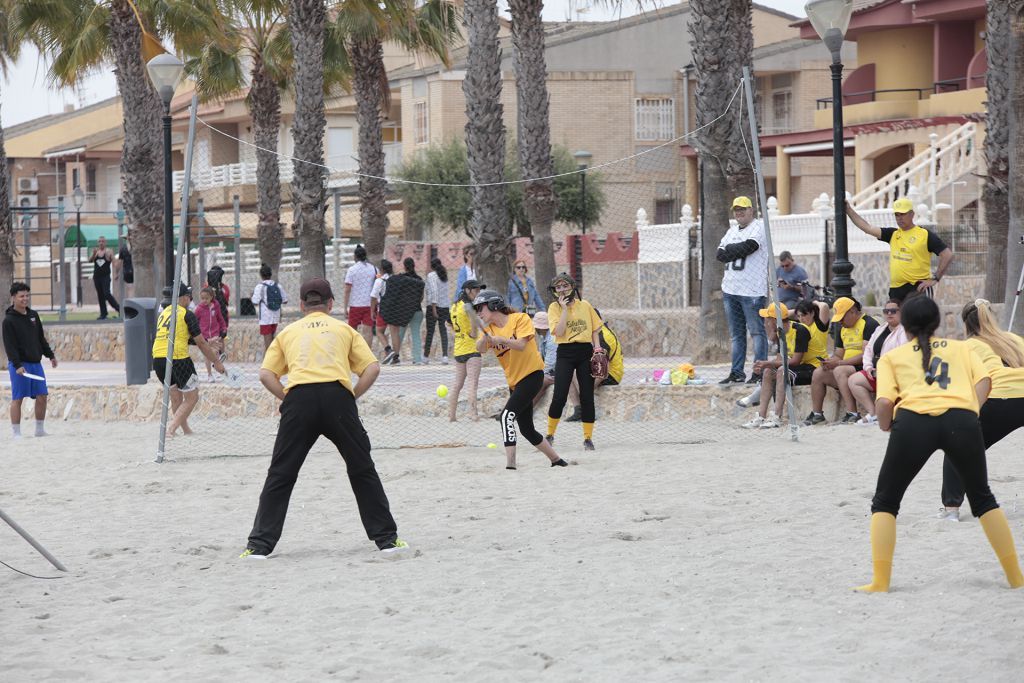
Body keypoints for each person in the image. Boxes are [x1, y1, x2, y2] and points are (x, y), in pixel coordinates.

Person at [855, 295, 1023, 592]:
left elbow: (883, 402)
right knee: (984, 500)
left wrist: (885, 425)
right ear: (939, 323)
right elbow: (985, 380)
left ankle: (880, 582)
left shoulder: (893, 357)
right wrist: (971, 409)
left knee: (885, 501)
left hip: (913, 423)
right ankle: (1015, 577)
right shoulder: (961, 348)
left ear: (904, 326)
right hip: (961, 421)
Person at [240, 277, 407, 559]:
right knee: (362, 468)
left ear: (303, 305)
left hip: (299, 400)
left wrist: (288, 398)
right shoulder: (344, 329)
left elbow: (265, 374)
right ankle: (387, 540)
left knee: (281, 473)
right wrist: (350, 396)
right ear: (330, 304)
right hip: (337, 398)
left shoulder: (288, 333)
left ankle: (258, 546)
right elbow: (373, 369)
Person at [938, 299, 1024, 522]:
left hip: (1002, 397)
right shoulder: (1013, 339)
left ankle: (951, 510)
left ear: (965, 324)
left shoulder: (968, 346)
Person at [473, 290, 568, 470]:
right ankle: (557, 460)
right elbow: (481, 349)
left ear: (494, 305)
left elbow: (521, 345)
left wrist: (500, 339)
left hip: (532, 376)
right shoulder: (490, 329)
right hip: (515, 383)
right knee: (527, 429)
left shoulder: (520, 319)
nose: (478, 312)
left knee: (506, 417)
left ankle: (510, 465)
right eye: (476, 309)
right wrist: (485, 339)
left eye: (481, 308)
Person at [151, 284, 226, 437]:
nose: (191, 300)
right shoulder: (186, 314)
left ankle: (185, 430)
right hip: (178, 359)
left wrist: (207, 341)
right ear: (184, 297)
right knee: (192, 396)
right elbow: (201, 344)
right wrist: (216, 362)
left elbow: (184, 337)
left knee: (176, 395)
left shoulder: (164, 313)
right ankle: (171, 429)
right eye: (189, 297)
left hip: (158, 359)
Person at [846, 198, 954, 302]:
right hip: (896, 289)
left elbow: (947, 254)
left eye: (903, 214)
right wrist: (848, 210)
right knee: (896, 320)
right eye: (897, 215)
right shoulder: (893, 234)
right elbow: (867, 228)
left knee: (920, 320)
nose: (899, 218)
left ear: (912, 214)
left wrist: (935, 278)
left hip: (918, 288)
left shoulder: (924, 235)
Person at [545, 273, 603, 451]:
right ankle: (549, 434)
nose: (562, 289)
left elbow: (594, 329)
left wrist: (598, 348)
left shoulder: (584, 305)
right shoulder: (554, 308)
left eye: (565, 286)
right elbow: (560, 331)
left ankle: (588, 438)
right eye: (558, 287)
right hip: (565, 352)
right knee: (560, 395)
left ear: (572, 287)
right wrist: (563, 309)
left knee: (587, 396)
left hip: (585, 351)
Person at [741, 303, 819, 429]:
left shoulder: (800, 330)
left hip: (812, 367)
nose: (765, 322)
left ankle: (777, 417)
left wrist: (770, 363)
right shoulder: (780, 333)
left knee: (782, 370)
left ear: (774, 320)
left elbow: (795, 361)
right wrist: (765, 365)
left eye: (768, 319)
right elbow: (779, 358)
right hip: (798, 367)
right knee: (768, 371)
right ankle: (761, 416)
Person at [803, 297, 879, 425]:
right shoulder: (842, 328)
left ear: (853, 311)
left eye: (842, 318)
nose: (841, 322)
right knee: (818, 373)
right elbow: (839, 354)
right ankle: (817, 414)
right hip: (846, 366)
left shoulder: (869, 324)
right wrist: (830, 361)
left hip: (864, 367)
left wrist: (838, 363)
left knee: (840, 370)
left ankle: (852, 413)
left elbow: (866, 355)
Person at [716, 196, 768, 384]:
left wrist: (731, 248)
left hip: (752, 290)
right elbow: (720, 255)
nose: (739, 212)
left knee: (756, 332)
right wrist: (733, 249)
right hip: (731, 289)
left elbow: (750, 247)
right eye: (736, 209)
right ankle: (737, 372)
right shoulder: (731, 231)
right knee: (736, 335)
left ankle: (759, 371)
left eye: (743, 209)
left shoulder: (759, 227)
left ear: (751, 210)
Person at [3, 282, 57, 438]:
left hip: (35, 364)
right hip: (19, 365)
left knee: (42, 395)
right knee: (18, 398)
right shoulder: (8, 321)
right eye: (21, 296)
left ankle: (39, 430)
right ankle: (16, 432)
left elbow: (40, 338)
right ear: (13, 297)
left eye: (27, 295)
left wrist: (50, 355)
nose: (25, 299)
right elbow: (10, 346)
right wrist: (17, 365)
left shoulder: (34, 315)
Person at [847, 298, 908, 426]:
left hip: (894, 373)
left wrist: (885, 370)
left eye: (893, 311)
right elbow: (868, 349)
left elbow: (903, 354)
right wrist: (868, 367)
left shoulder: (905, 331)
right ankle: (873, 413)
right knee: (854, 380)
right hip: (875, 371)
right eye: (886, 311)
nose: (889, 314)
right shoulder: (880, 329)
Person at [566, 313, 623, 422]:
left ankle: (587, 409)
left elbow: (603, 371)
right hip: (602, 370)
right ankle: (578, 411)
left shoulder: (602, 337)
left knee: (574, 372)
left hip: (611, 374)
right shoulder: (598, 332)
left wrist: (587, 390)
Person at [448, 280, 485, 421]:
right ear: (468, 290)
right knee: (472, 383)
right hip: (471, 348)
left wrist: (456, 335)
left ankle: (451, 415)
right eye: (476, 290)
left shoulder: (454, 306)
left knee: (457, 384)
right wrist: (474, 334)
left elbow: (448, 323)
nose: (478, 293)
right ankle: (473, 413)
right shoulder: (469, 306)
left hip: (459, 349)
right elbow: (475, 324)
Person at [380, 258, 425, 365]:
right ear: (414, 266)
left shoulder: (401, 279)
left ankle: (395, 356)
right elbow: (421, 297)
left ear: (404, 266)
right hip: (417, 311)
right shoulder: (419, 279)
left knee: (399, 334)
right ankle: (417, 359)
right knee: (416, 335)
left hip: (403, 311)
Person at [343, 245, 378, 346]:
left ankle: (354, 353)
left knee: (352, 331)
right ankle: (368, 354)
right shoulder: (374, 269)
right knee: (368, 331)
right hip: (369, 305)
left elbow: (347, 290)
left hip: (355, 305)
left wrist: (345, 307)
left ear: (355, 256)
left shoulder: (352, 270)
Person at [251, 264, 288, 352]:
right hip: (275, 315)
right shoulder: (278, 286)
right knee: (272, 338)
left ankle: (270, 361)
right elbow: (285, 300)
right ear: (270, 274)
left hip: (265, 317)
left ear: (261, 275)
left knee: (268, 342)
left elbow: (255, 302)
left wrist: (251, 296)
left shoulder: (260, 287)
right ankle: (273, 359)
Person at [195, 287, 228, 382]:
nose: (204, 300)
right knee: (207, 355)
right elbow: (194, 322)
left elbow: (220, 319)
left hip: (215, 334)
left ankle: (217, 369)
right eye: (202, 298)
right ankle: (209, 375)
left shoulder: (216, 306)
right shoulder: (199, 309)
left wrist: (224, 329)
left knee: (215, 354)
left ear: (211, 297)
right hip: (205, 337)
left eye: (206, 298)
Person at [423, 257, 450, 364]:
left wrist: (434, 308)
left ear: (432, 266)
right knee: (443, 330)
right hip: (445, 306)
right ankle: (445, 356)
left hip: (434, 306)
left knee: (430, 331)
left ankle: (425, 356)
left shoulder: (431, 275)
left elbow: (434, 291)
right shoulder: (444, 275)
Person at [531, 312, 559, 406]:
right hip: (551, 370)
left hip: (556, 371)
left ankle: (526, 408)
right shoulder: (543, 337)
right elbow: (541, 358)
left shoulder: (552, 339)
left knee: (540, 382)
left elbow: (550, 364)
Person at [90, 235, 120, 320]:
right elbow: (90, 260)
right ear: (97, 243)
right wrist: (93, 254)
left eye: (102, 241)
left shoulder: (109, 252)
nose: (101, 243)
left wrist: (116, 273)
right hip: (97, 277)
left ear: (105, 242)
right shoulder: (96, 252)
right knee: (100, 295)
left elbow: (114, 262)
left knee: (107, 293)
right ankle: (103, 314)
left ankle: (119, 309)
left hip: (105, 277)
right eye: (99, 241)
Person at [370, 259, 393, 359]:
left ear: (382, 269)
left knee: (379, 331)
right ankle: (393, 355)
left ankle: (388, 349)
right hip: (395, 309)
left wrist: (372, 311)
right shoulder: (394, 279)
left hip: (383, 309)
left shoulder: (379, 281)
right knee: (394, 332)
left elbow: (373, 297)